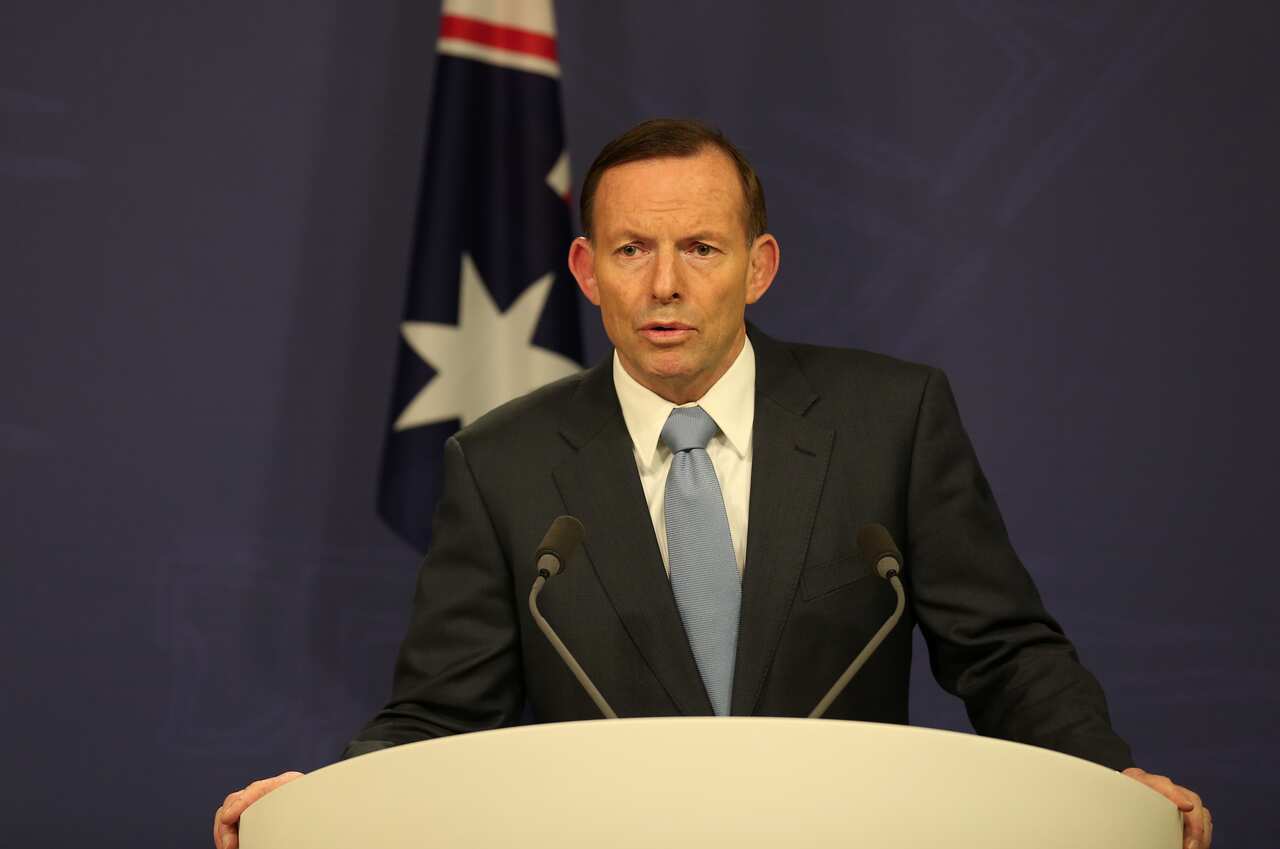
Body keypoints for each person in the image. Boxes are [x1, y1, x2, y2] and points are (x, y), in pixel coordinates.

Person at [214, 119, 1212, 849]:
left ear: (757, 265)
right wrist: (315, 803)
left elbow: (1000, 652)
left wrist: (1107, 784)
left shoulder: (888, 420)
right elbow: (439, 714)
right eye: (630, 250)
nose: (663, 287)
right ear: (585, 269)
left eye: (699, 248)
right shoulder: (502, 463)